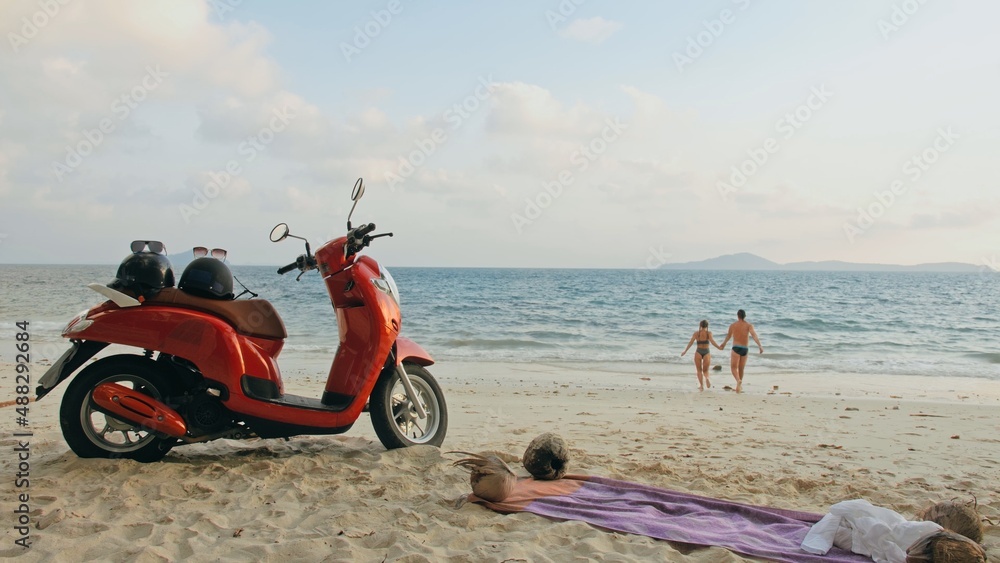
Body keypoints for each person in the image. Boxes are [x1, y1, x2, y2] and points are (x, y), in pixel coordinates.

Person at [717, 309, 763, 393]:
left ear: (737, 316)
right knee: (741, 368)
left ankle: (738, 380)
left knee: (733, 368)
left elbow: (728, 336)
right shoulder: (749, 325)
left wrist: (723, 344)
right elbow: (754, 335)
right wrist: (760, 346)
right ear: (745, 316)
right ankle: (739, 387)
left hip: (736, 348)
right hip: (745, 349)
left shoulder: (733, 325)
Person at [680, 320, 722, 391]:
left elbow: (691, 342)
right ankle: (707, 378)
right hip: (706, 352)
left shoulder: (696, 333)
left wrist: (685, 351)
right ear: (707, 326)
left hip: (698, 352)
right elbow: (712, 341)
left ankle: (701, 386)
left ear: (700, 326)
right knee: (705, 371)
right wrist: (719, 347)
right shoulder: (709, 333)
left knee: (699, 370)